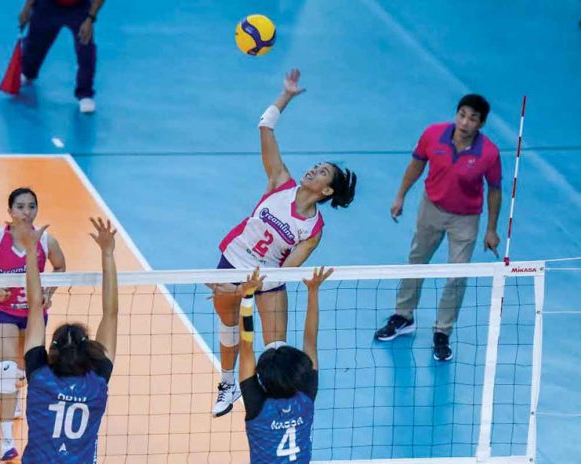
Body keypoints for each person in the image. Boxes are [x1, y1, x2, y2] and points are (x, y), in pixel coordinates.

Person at [209, 69, 357, 417]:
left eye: (322, 173)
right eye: (316, 166)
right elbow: (265, 127)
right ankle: (228, 383)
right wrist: (286, 95)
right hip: (233, 260)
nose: (314, 170)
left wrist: (256, 285)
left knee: (275, 347)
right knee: (228, 324)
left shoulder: (313, 229)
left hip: (269, 278)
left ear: (327, 191)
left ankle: (278, 401)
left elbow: (288, 270)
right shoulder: (280, 181)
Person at [375, 94, 502, 361]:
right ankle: (403, 316)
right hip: (431, 208)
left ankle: (442, 333)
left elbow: (494, 190)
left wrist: (491, 229)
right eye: (462, 115)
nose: (465, 122)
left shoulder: (489, 153)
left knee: (456, 276)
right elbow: (416, 166)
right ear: (456, 114)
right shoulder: (433, 135)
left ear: (481, 124)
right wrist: (400, 196)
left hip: (466, 219)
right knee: (416, 261)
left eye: (473, 118)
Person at [0, 187, 66, 460]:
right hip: (4, 311)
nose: (26, 212)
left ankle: (17, 390)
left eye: (31, 206)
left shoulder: (47, 242)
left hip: (33, 313)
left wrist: (49, 293)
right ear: (10, 211)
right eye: (20, 206)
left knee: (25, 373)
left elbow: (61, 268)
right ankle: (6, 440)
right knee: (6, 370)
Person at [17, 217, 117, 463]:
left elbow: (34, 307)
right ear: (88, 350)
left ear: (52, 351)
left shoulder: (40, 376)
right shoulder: (97, 382)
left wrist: (31, 251)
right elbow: (111, 314)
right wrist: (107, 253)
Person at [237, 267, 333, 464]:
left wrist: (247, 296)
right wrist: (313, 291)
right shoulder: (305, 397)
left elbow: (245, 347)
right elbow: (310, 343)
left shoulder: (258, 406)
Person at [18, 0, 106, 113]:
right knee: (34, 42)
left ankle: (85, 94)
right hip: (48, 5)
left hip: (79, 7)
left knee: (85, 48)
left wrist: (90, 19)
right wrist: (26, 8)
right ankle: (27, 73)